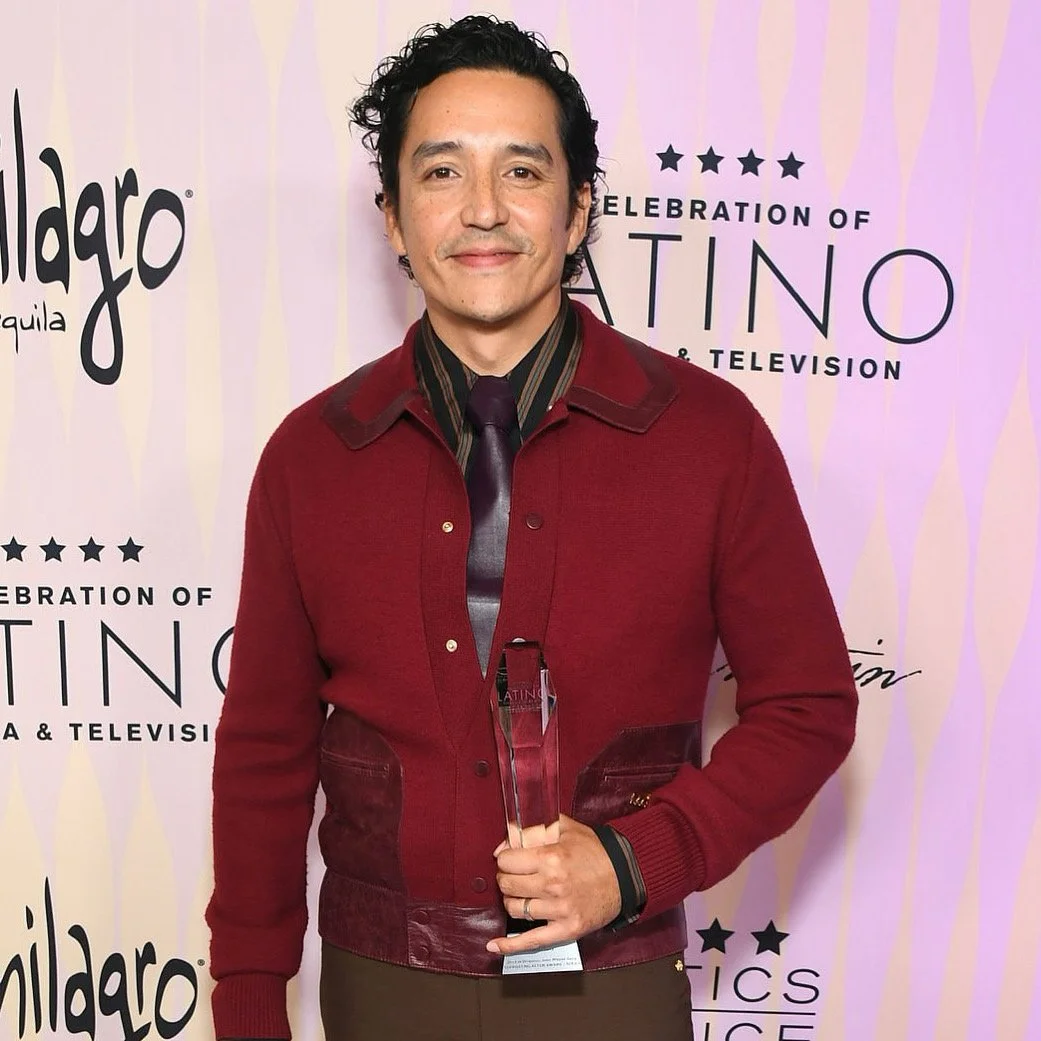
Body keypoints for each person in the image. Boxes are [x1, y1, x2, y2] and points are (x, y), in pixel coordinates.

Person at [205, 15, 857, 1041]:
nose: (483, 209)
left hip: (612, 983)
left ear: (577, 206)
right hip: (380, 986)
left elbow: (808, 706)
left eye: (521, 170)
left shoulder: (708, 436)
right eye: (441, 172)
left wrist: (635, 861)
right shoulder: (312, 454)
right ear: (392, 219)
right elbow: (263, 749)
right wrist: (248, 999)